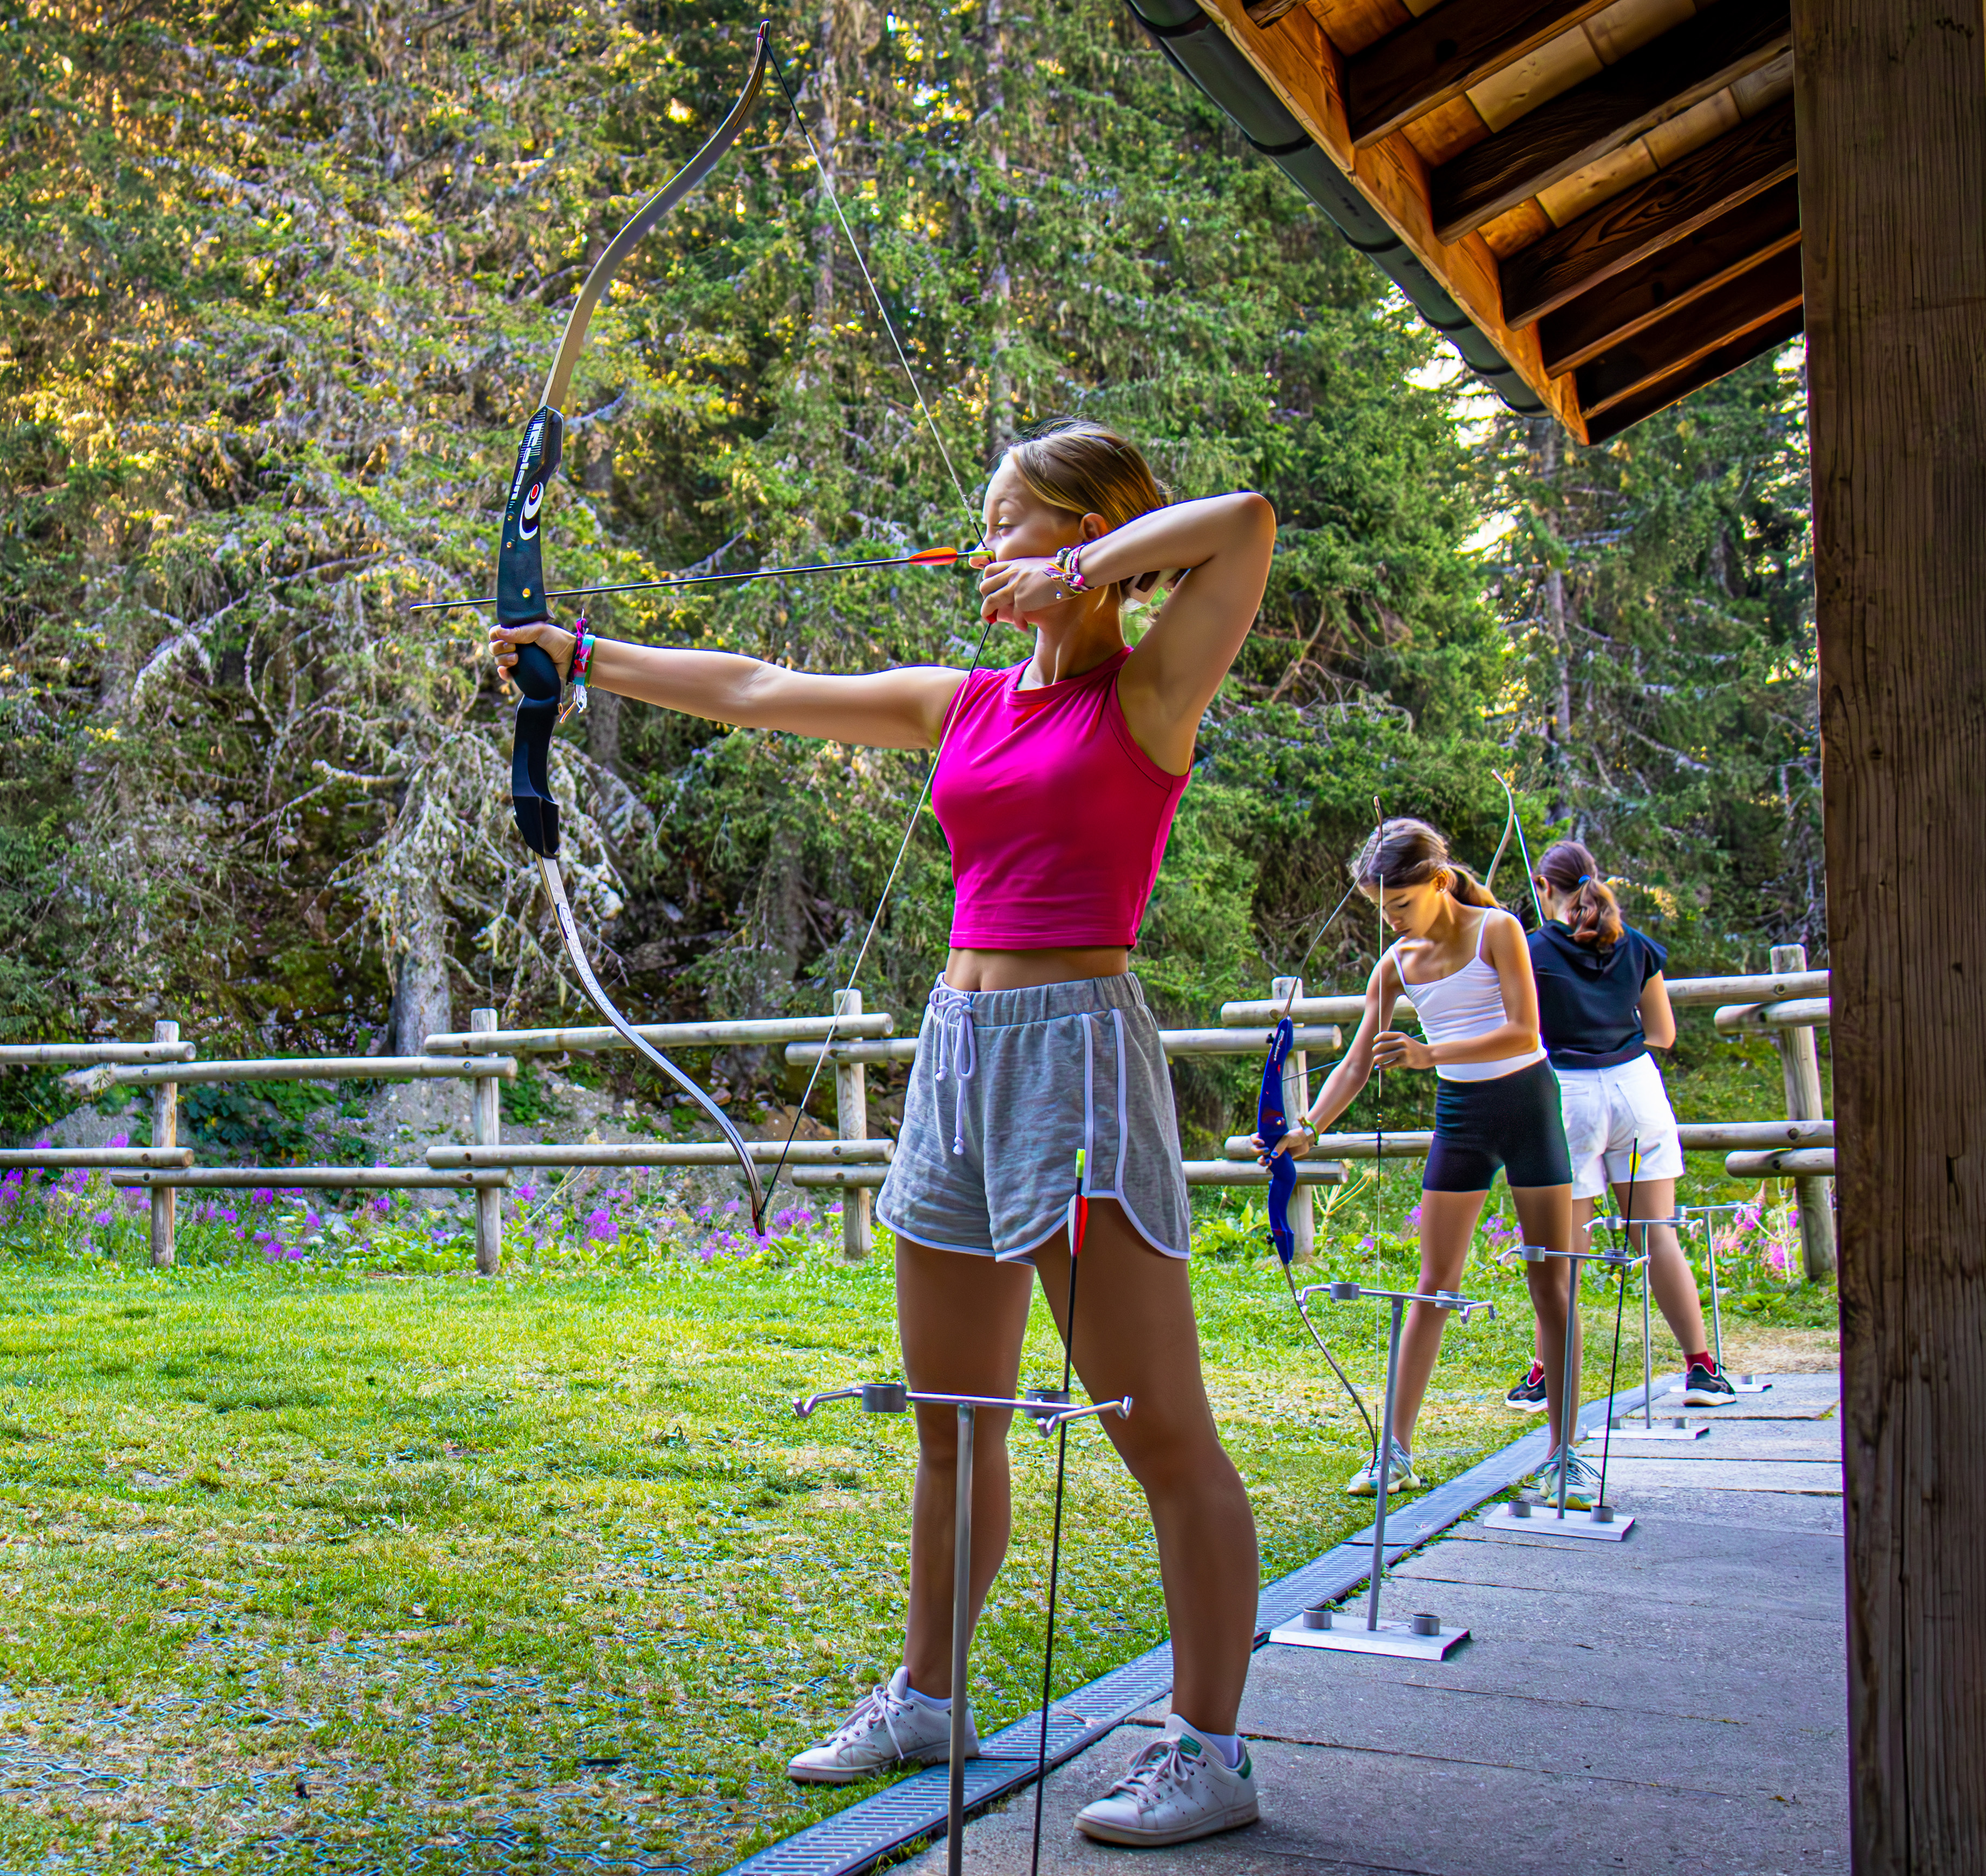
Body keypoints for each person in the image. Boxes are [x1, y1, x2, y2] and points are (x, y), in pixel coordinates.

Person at [490, 421, 1276, 1848]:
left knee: (1158, 1429)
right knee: (953, 1417)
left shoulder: (1151, 695)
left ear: (1090, 536)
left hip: (1076, 1057)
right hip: (959, 1052)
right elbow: (758, 685)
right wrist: (581, 657)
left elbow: (1250, 518)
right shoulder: (966, 703)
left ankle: (1209, 1747)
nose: (988, 549)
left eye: (1011, 524)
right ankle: (927, 1695)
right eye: (988, 526)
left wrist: (1083, 570)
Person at [1265, 819, 1598, 1509]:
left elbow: (1523, 1030)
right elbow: (1356, 1062)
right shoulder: (1394, 965)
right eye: (1382, 911)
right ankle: (1394, 1450)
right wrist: (1306, 1129)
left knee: (1550, 1280)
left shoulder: (1496, 930)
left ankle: (1563, 1454)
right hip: (1463, 1118)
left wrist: (1427, 1054)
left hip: (1528, 1106)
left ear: (1438, 882)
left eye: (1401, 906)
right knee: (1431, 1285)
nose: (1392, 922)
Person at [1501, 842, 1737, 1409]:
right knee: (1656, 1233)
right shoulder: (1635, 947)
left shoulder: (1531, 950)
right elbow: (1662, 1034)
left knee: (1561, 1251)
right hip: (1637, 1089)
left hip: (1568, 1095)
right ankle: (1701, 1369)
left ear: (1542, 887)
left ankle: (1544, 1377)